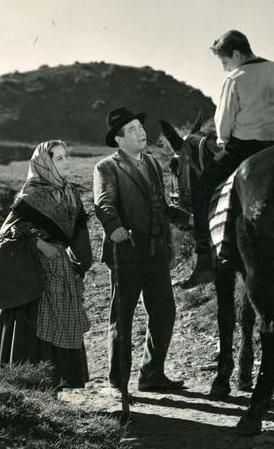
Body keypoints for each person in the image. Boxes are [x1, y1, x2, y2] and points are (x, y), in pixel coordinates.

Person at [191, 29, 274, 282]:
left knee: (202, 188)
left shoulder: (235, 79)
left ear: (237, 54)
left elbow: (223, 127)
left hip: (244, 148)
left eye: (225, 62)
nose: (224, 68)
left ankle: (204, 261)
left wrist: (224, 141)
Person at [93, 107, 189, 392]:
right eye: (132, 129)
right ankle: (118, 383)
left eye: (140, 127)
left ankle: (151, 375)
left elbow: (162, 205)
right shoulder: (107, 167)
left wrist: (186, 220)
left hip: (156, 251)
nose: (141, 132)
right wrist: (114, 226)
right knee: (122, 318)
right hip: (127, 252)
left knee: (164, 313)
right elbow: (104, 203)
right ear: (119, 139)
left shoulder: (151, 164)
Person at [0, 139, 93, 390]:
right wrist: (40, 244)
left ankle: (55, 386)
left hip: (61, 269)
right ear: (44, 163)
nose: (66, 161)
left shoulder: (70, 194)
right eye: (58, 158)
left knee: (62, 324)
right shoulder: (31, 193)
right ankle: (30, 386)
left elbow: (80, 230)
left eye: (66, 156)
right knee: (34, 328)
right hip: (33, 270)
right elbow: (9, 230)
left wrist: (81, 264)